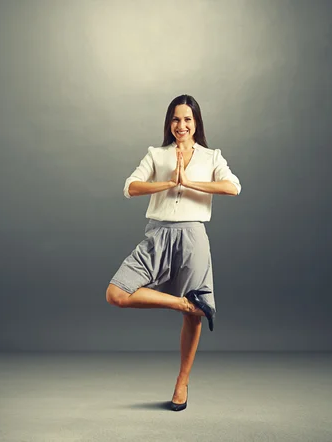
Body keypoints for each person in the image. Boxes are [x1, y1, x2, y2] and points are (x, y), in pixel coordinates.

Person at [105, 94, 242, 411]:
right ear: (170, 123)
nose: (182, 125)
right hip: (157, 234)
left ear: (196, 123)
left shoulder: (211, 156)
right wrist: (167, 183)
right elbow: (131, 187)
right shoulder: (157, 154)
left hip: (193, 235)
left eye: (188, 119)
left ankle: (182, 384)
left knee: (191, 320)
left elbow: (233, 186)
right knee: (117, 293)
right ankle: (183, 301)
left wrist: (189, 182)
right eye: (176, 119)